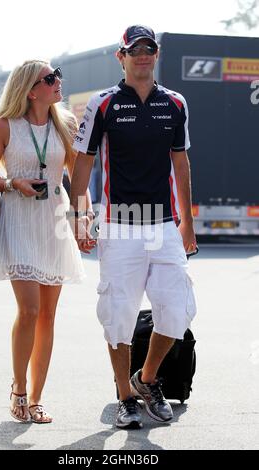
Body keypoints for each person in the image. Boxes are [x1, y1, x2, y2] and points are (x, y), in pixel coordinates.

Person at [70, 25, 197, 429]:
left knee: (177, 311)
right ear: (120, 57)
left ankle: (146, 380)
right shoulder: (103, 103)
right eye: (134, 50)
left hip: (163, 226)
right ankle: (124, 396)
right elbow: (83, 164)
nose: (142, 55)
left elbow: (181, 164)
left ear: (156, 54)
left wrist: (188, 225)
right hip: (118, 226)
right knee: (119, 315)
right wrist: (78, 217)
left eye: (149, 49)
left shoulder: (175, 103)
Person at [0, 60, 92, 424]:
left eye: (57, 74)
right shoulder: (4, 127)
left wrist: (83, 220)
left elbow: (78, 180)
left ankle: (38, 398)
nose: (58, 81)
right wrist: (14, 184)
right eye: (49, 78)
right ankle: (19, 390)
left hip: (55, 221)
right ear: (30, 90)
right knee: (28, 311)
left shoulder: (66, 126)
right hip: (19, 220)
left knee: (47, 315)